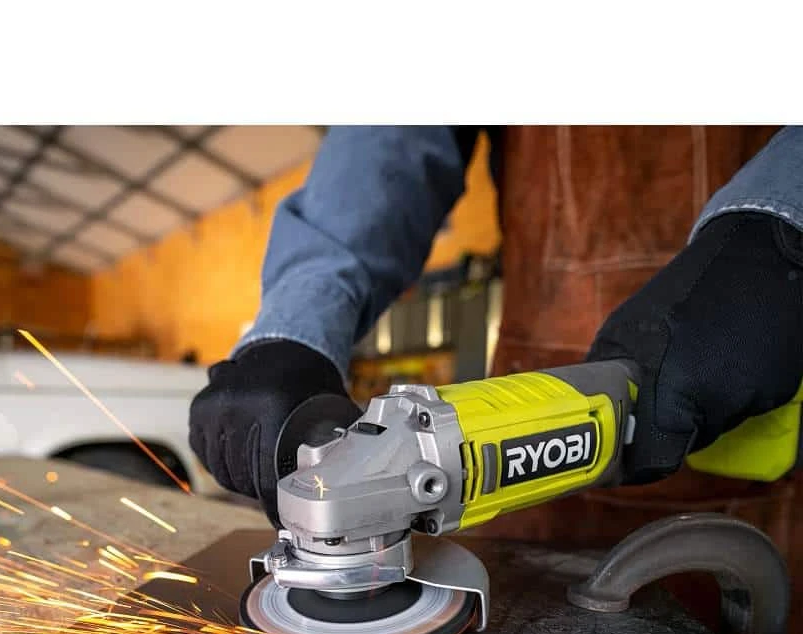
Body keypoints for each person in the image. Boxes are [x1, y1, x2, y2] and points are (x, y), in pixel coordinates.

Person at [189, 126, 803, 525]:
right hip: (521, 454)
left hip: (769, 434)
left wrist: (778, 232)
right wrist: (292, 332)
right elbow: (392, 134)